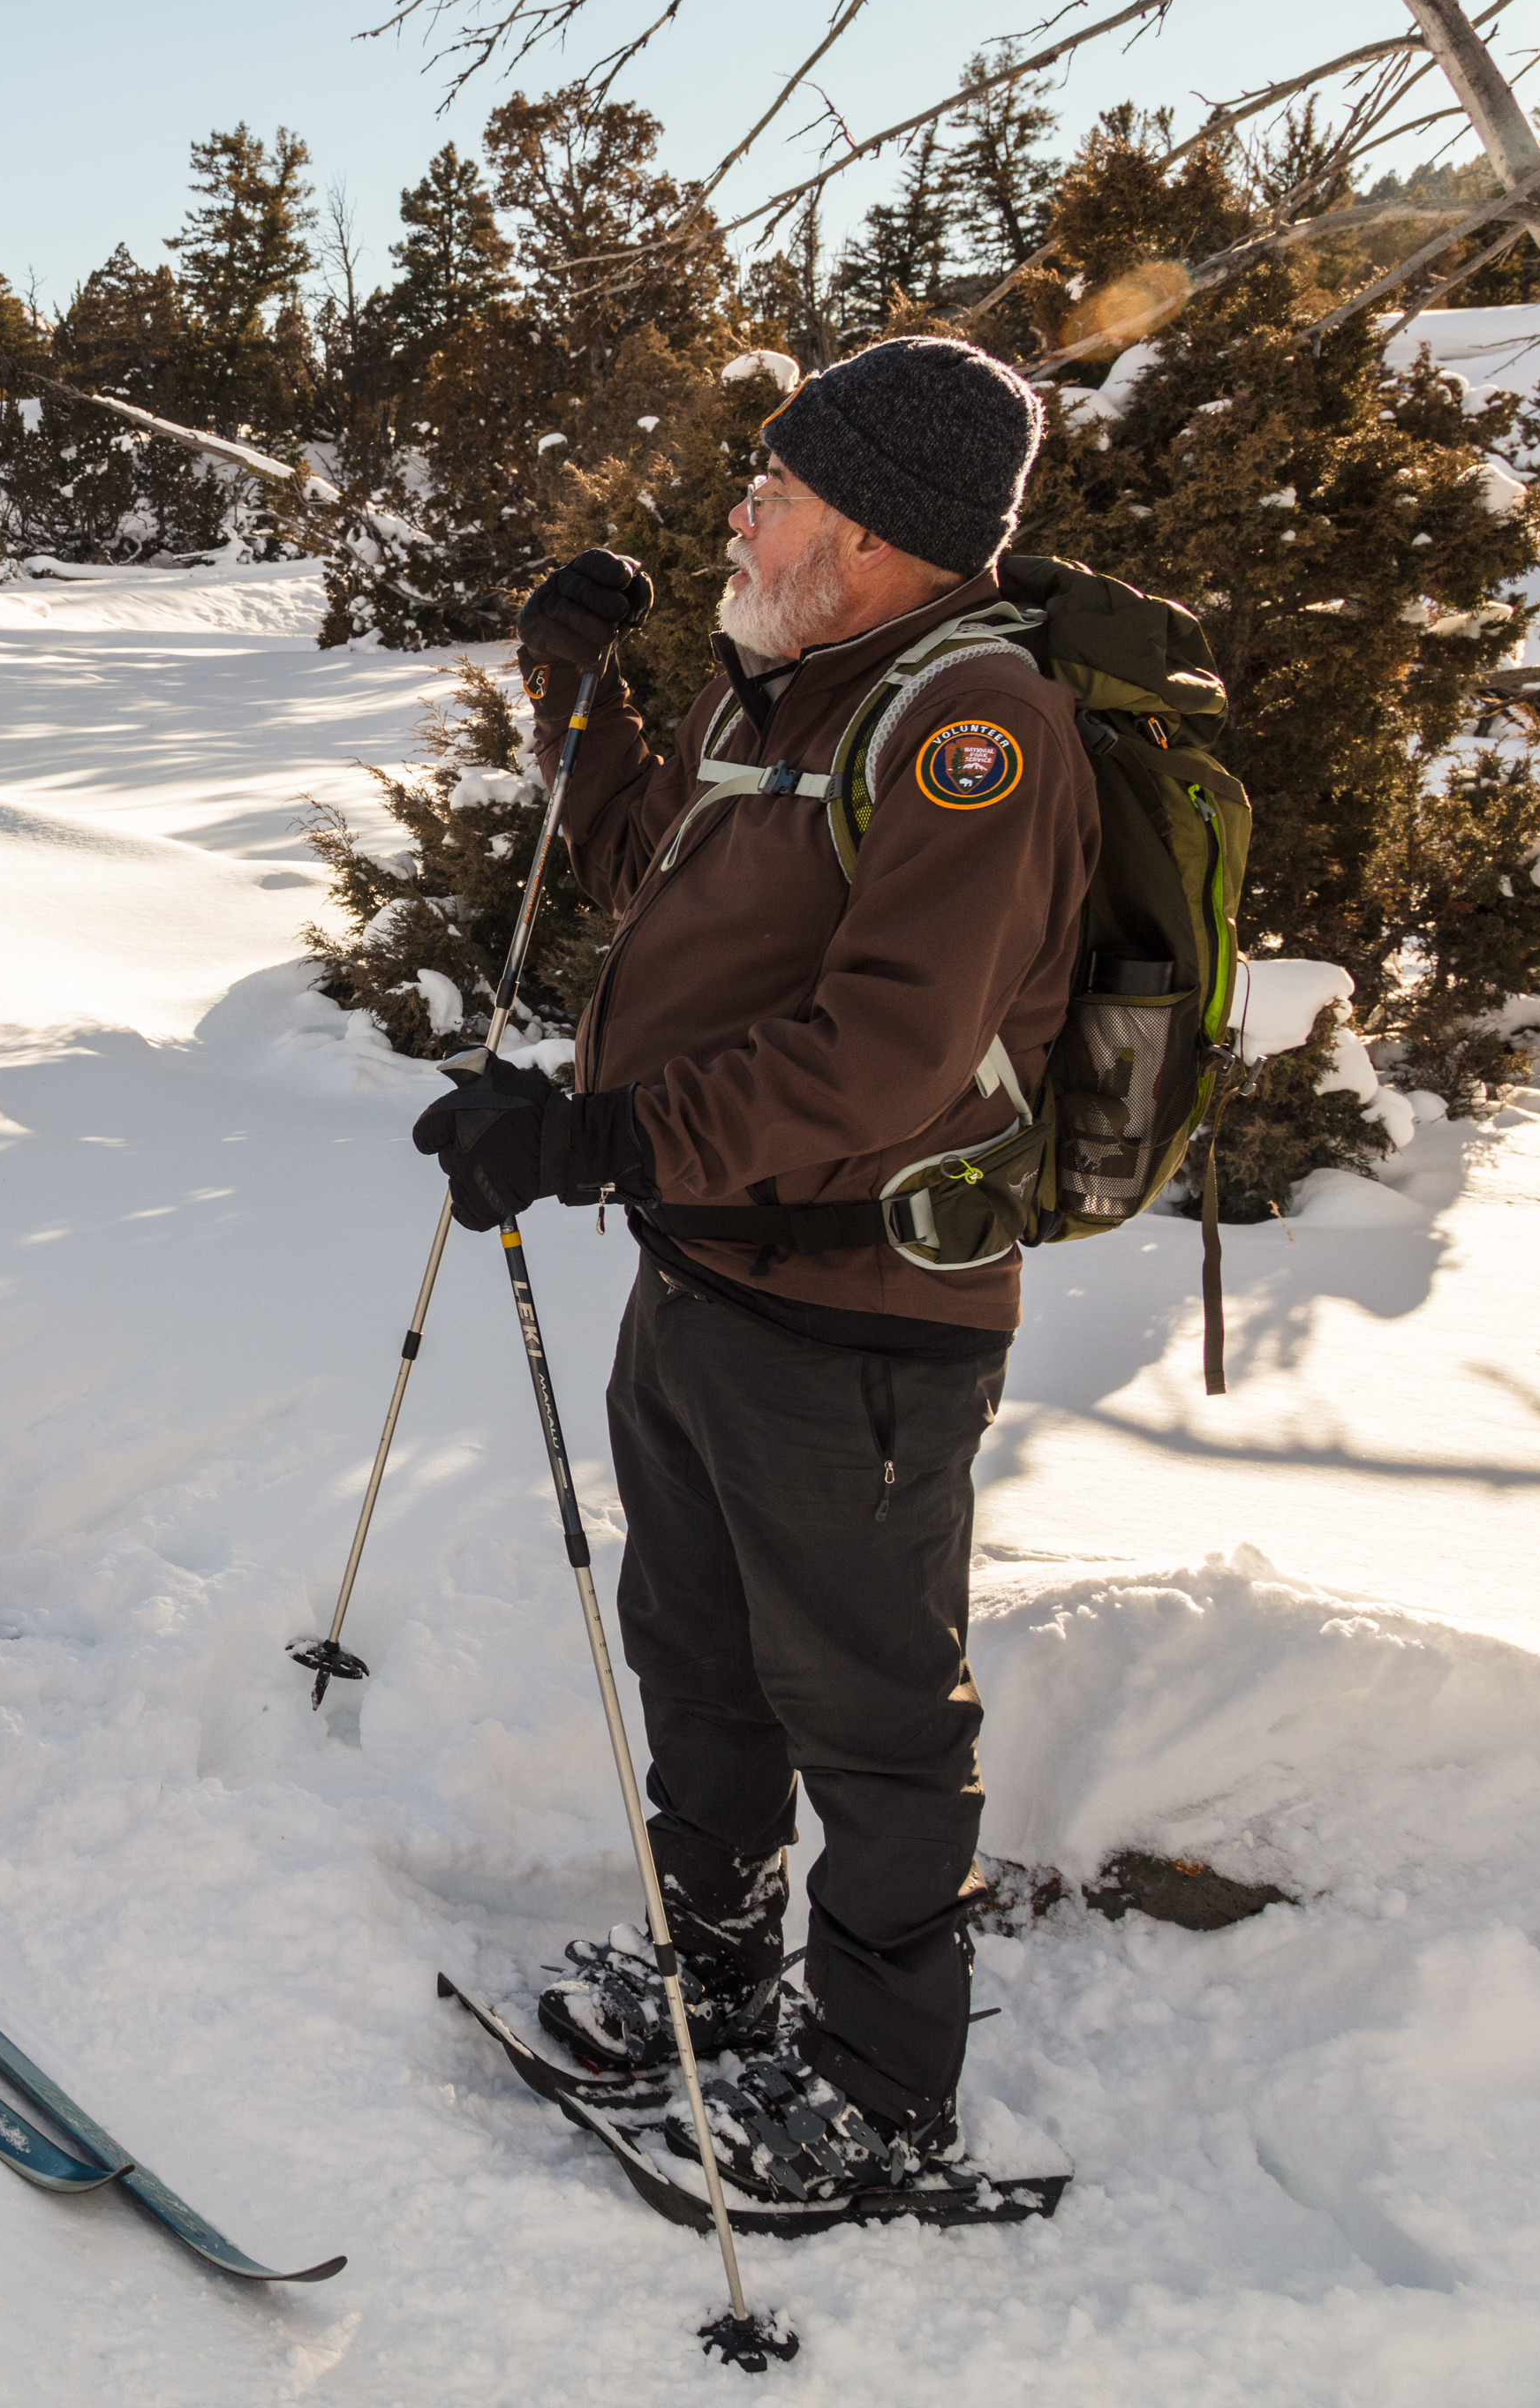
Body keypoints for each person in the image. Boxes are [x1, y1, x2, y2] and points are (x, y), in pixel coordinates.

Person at [414, 336, 1091, 2208]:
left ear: (866, 529)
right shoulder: (802, 692)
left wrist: (598, 1137)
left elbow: (890, 1054)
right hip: (710, 1269)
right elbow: (661, 872)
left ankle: (882, 2090)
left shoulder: (977, 725)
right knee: (700, 1657)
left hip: (861, 1308)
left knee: (871, 1709)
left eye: (773, 487)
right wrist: (582, 688)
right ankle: (717, 1969)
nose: (740, 509)